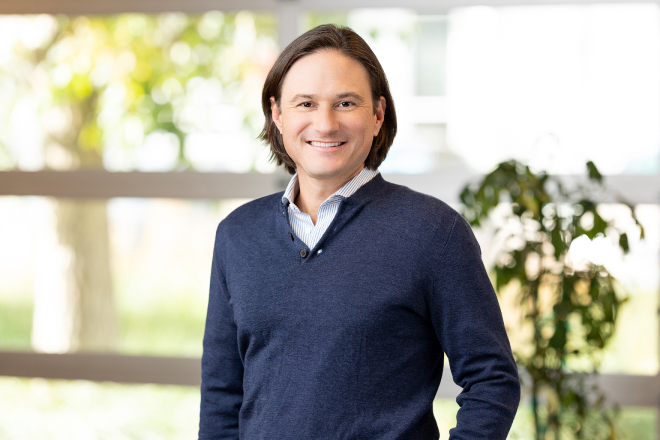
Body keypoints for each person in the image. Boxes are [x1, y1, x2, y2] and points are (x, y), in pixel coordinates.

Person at [199, 24, 520, 440]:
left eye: (346, 103)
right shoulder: (237, 236)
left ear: (378, 115)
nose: (325, 123)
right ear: (278, 115)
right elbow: (223, 395)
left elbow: (492, 379)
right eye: (305, 104)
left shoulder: (434, 232)